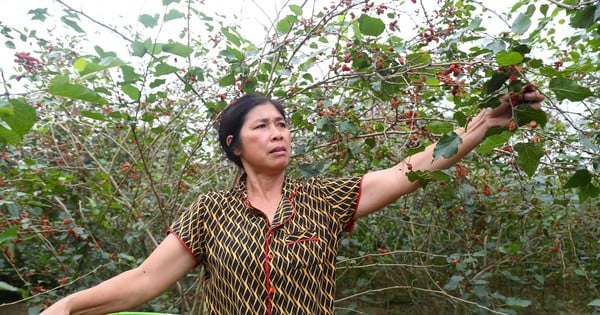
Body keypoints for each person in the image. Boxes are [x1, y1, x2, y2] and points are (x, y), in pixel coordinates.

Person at [40, 91, 544, 315]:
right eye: (262, 126)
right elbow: (146, 280)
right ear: (235, 146)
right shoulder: (209, 212)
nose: (278, 133)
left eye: (282, 124)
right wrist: (68, 305)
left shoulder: (323, 199)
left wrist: (484, 123)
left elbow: (410, 169)